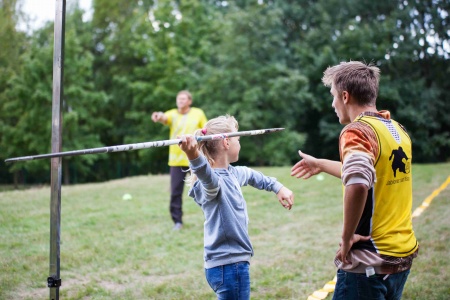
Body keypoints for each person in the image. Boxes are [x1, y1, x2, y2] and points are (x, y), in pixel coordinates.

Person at [291, 61, 419, 300]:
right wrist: (320, 164)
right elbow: (371, 174)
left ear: (345, 96)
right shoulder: (396, 130)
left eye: (333, 96)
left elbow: (359, 183)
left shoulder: (356, 131)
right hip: (401, 256)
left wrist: (347, 236)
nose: (332, 104)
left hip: (369, 263)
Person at [178, 115, 294, 299]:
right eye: (237, 140)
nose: (240, 144)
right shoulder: (213, 183)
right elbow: (207, 177)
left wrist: (277, 187)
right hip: (229, 265)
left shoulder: (233, 173)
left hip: (228, 265)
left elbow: (252, 175)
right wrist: (192, 154)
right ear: (226, 143)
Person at [151, 90, 207, 230]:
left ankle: (211, 217)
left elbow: (205, 129)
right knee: (175, 192)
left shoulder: (198, 113)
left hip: (195, 157)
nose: (180, 101)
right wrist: (158, 116)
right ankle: (177, 221)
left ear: (189, 101)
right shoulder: (172, 114)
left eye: (183, 99)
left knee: (206, 188)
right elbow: (165, 118)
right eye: (178, 99)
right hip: (176, 161)